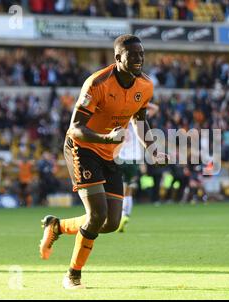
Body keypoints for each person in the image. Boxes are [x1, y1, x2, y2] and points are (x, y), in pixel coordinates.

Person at [38, 34, 168, 289]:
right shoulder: (96, 84)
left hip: (108, 152)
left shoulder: (145, 86)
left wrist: (152, 149)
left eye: (142, 54)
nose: (139, 59)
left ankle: (56, 227)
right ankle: (72, 276)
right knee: (97, 214)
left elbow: (139, 120)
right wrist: (105, 137)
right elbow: (75, 128)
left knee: (111, 222)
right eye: (133, 55)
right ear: (118, 58)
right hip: (81, 148)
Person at [116, 102, 159, 233]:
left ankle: (118, 216)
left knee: (118, 189)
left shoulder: (118, 117)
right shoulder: (138, 117)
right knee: (128, 190)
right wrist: (141, 102)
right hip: (134, 157)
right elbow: (155, 109)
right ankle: (125, 216)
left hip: (119, 156)